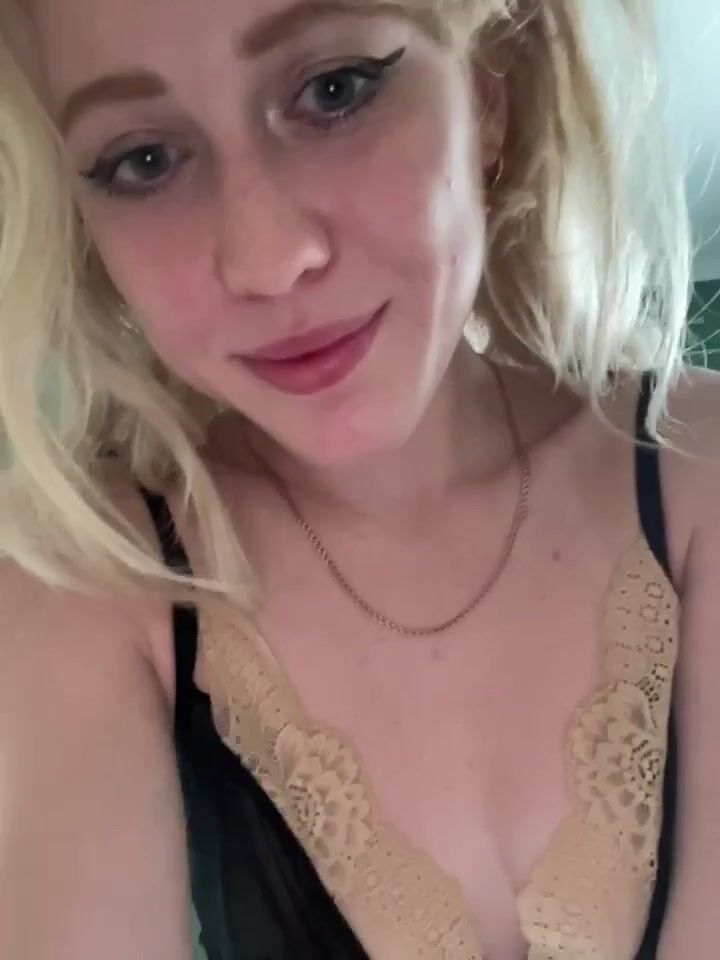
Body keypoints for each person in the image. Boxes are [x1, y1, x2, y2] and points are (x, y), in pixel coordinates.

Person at [0, 0, 718, 957]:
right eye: (145, 160)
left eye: (335, 92)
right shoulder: (86, 589)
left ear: (486, 90)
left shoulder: (699, 468)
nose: (269, 261)